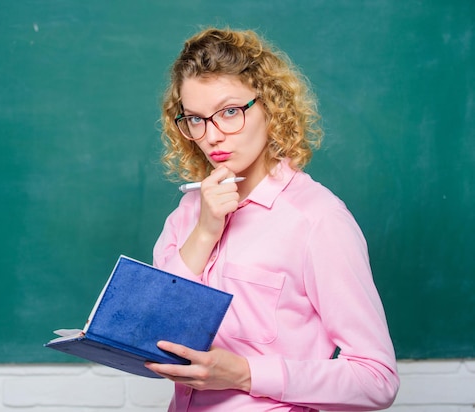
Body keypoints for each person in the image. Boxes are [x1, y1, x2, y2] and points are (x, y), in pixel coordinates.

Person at [144, 27, 400, 411]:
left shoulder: (317, 219)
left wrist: (245, 373)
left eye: (230, 112)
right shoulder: (187, 213)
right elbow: (156, 330)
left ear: (271, 106)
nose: (212, 136)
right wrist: (205, 232)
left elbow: (376, 379)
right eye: (195, 119)